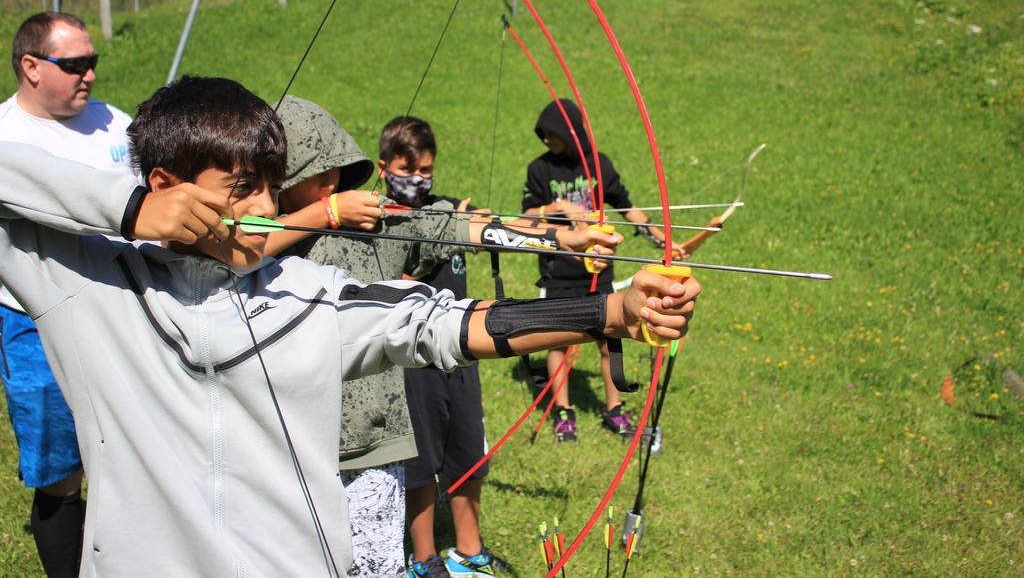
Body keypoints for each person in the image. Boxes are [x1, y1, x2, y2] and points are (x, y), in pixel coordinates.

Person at [0, 75, 698, 576]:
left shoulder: (306, 294)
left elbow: (447, 324)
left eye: (272, 184)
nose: (266, 207)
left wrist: (614, 312)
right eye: (243, 188)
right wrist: (129, 211)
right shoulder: (82, 284)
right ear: (164, 186)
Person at [264, 101, 626, 577]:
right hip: (298, 442)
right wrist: (323, 212)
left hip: (375, 440)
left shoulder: (372, 223)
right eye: (316, 174)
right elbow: (236, 246)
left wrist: (559, 240)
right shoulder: (254, 241)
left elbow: (460, 227)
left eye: (337, 171)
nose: (331, 182)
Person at [0, 11, 133, 576]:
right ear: (31, 67)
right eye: (75, 64)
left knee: (129, 456)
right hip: (36, 325)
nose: (90, 75)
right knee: (61, 475)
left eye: (92, 62)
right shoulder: (5, 138)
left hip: (123, 312)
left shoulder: (115, 125)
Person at [376, 118, 501, 578]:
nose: (417, 179)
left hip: (461, 352)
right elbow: (389, 280)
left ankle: (469, 551)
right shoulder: (375, 221)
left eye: (425, 170)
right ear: (383, 168)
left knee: (469, 449)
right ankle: (424, 558)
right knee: (420, 460)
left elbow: (489, 228)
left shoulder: (445, 211)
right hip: (412, 358)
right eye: (406, 170)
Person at [522, 98, 684, 443]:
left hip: (598, 268)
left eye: (552, 133)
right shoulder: (539, 169)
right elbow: (525, 217)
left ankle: (614, 409)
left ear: (570, 132)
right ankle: (563, 413)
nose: (546, 139)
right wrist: (559, 206)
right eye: (543, 134)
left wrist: (662, 239)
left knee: (610, 341)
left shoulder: (599, 164)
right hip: (558, 269)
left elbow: (627, 206)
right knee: (557, 341)